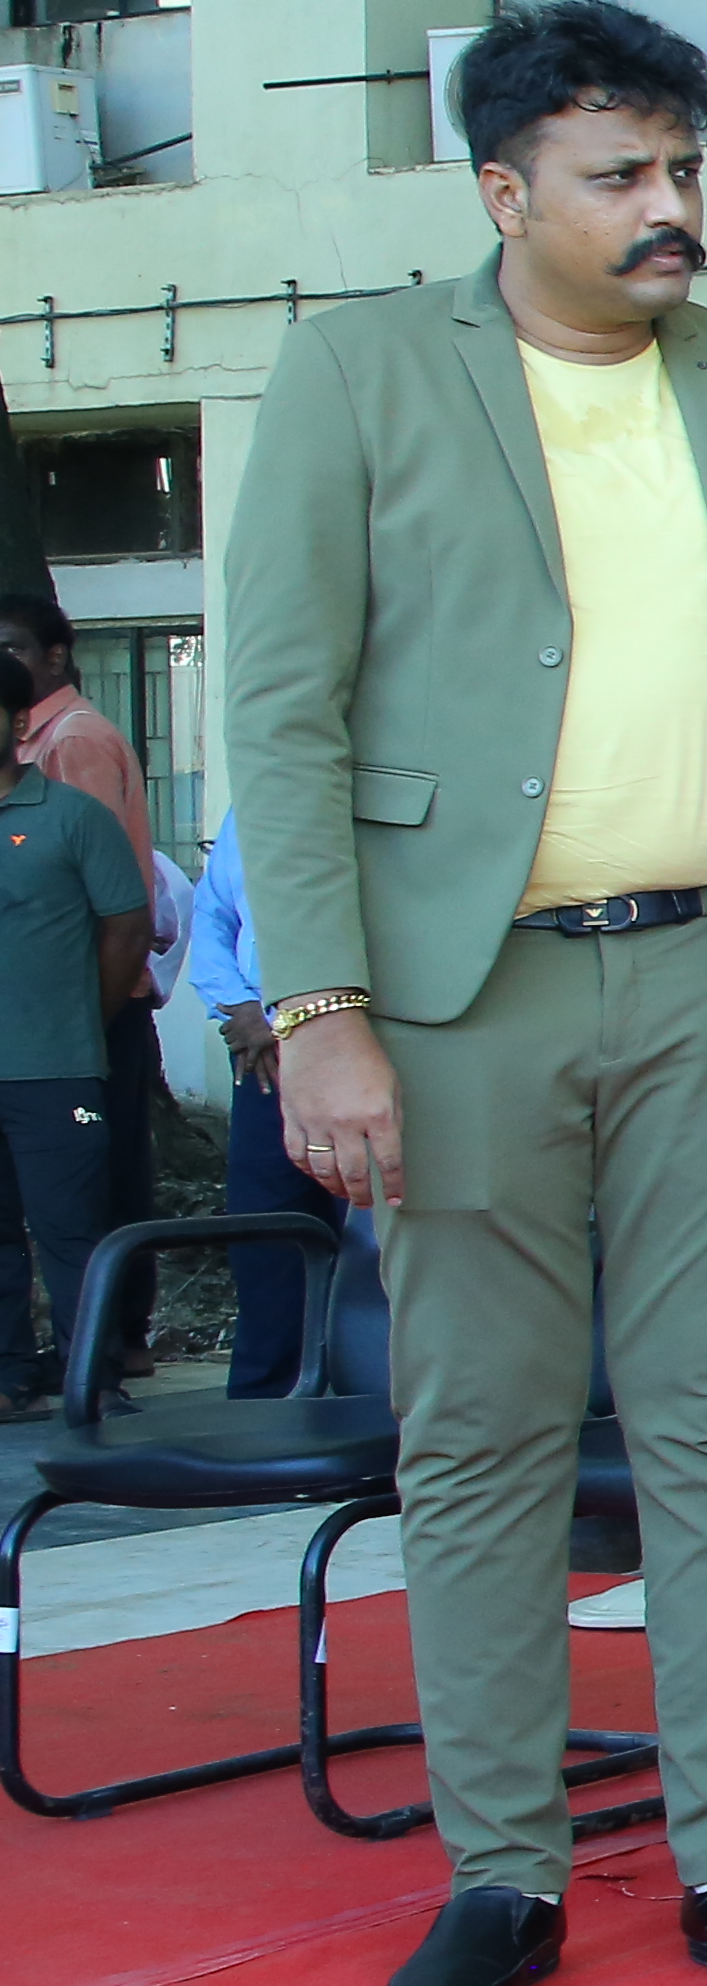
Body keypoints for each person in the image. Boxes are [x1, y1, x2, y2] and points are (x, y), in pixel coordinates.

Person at [217, 0, 707, 1986]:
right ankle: (501, 1872)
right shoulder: (355, 375)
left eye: (685, 169)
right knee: (486, 1433)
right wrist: (317, 1008)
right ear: (505, 190)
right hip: (456, 985)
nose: (670, 207)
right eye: (624, 177)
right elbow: (282, 707)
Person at [0, 595, 164, 1255]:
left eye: (11, 646)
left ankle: (109, 1346)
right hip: (49, 1027)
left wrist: (75, 1021)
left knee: (86, 1212)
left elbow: (99, 907)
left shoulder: (71, 742)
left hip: (82, 1016)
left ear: (56, 654)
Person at [0, 738, 144, 1422]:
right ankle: (9, 1380)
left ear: (18, 719)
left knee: (72, 1230)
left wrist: (87, 1018)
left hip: (53, 1066)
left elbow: (127, 926)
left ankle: (95, 1377)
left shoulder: (73, 815)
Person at [181, 815, 317, 1399]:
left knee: (371, 1240)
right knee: (266, 1232)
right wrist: (238, 1005)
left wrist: (301, 1017)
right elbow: (213, 918)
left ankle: (367, 1401)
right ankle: (264, 1398)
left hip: (364, 1050)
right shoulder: (251, 812)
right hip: (263, 1057)